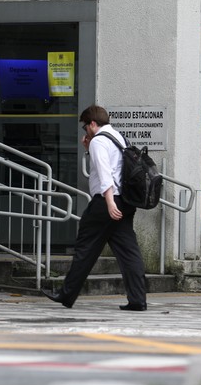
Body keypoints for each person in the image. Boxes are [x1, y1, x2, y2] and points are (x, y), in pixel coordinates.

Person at [43, 105, 147, 311]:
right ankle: (138, 299)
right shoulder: (119, 138)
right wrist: (87, 149)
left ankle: (67, 294)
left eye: (85, 127)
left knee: (85, 247)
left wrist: (109, 202)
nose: (85, 131)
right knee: (128, 252)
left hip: (106, 202)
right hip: (125, 202)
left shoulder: (99, 140)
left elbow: (105, 173)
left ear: (92, 123)